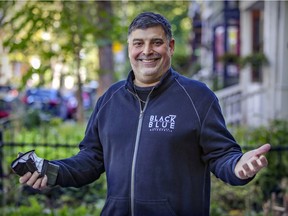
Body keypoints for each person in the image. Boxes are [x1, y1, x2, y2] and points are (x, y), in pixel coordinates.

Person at [18, 12, 271, 215]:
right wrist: (52, 171)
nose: (146, 51)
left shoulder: (198, 98)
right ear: (129, 48)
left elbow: (221, 155)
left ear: (170, 46)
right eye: (138, 43)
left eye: (156, 42)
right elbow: (92, 160)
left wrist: (238, 167)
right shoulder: (110, 99)